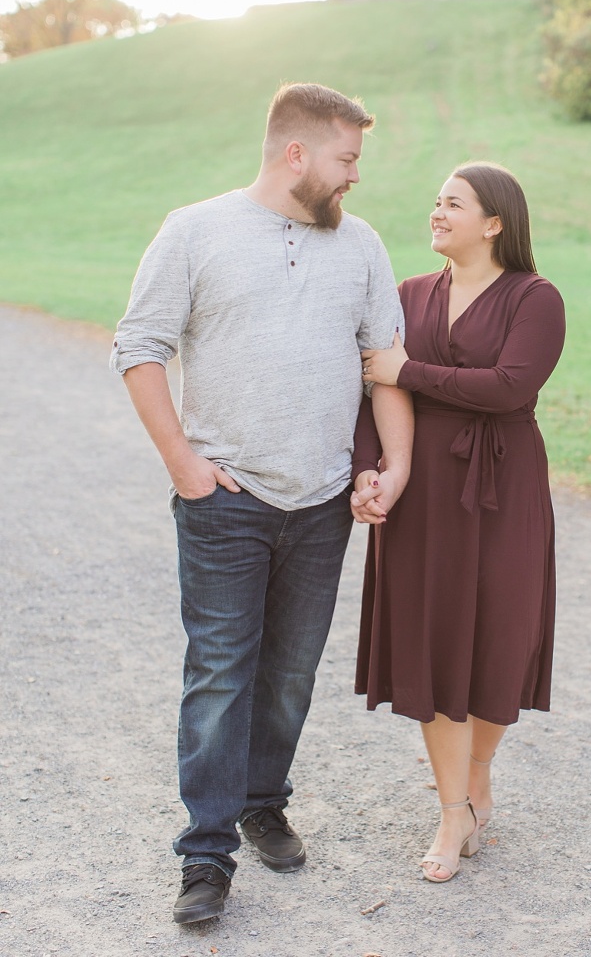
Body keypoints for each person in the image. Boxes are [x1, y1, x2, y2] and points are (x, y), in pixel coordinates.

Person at [110, 83, 413, 924]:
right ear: (297, 154)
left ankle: (261, 801)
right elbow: (138, 348)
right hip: (226, 503)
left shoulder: (362, 246)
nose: (355, 176)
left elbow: (383, 362)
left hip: (320, 504)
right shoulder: (195, 230)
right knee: (218, 674)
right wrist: (184, 464)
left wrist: (394, 466)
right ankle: (206, 855)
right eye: (346, 159)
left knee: (287, 674)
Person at [351, 161, 565, 883]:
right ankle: (452, 810)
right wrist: (369, 468)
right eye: (436, 202)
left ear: (495, 222)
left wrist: (406, 370)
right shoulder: (409, 294)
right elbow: (369, 390)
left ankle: (479, 776)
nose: (437, 213)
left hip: (506, 484)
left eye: (453, 204)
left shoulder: (537, 298)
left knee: (501, 636)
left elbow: (510, 388)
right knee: (434, 642)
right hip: (425, 494)